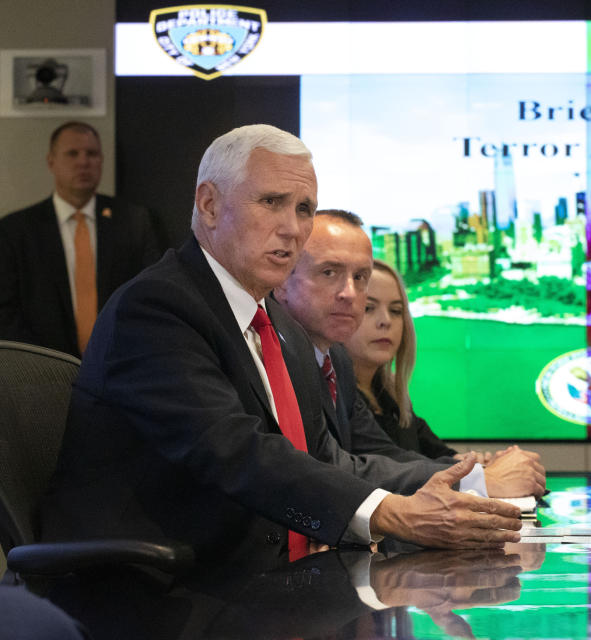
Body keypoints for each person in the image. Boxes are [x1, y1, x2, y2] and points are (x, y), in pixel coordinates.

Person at [40, 124, 530, 571]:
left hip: (273, 578)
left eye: (304, 209)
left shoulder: (279, 324)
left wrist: (457, 494)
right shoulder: (156, 308)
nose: (294, 228)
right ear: (209, 205)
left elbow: (321, 458)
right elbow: (236, 451)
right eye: (271, 202)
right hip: (166, 588)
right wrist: (393, 515)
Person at [274, 211, 545, 495]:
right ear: (282, 279)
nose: (350, 293)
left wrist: (479, 472)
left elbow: (384, 454)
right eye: (329, 272)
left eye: (360, 277)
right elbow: (332, 468)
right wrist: (477, 480)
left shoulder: (336, 363)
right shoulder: (276, 357)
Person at [0, 121, 160, 357]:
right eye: (72, 153)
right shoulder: (15, 230)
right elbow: (5, 312)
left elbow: (152, 294)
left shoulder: (134, 221)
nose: (83, 162)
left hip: (121, 367)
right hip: (42, 371)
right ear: (51, 162)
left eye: (92, 154)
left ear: (101, 161)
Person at [345, 258, 500, 460]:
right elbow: (395, 465)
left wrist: (482, 464)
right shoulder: (338, 396)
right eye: (368, 308)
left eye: (396, 311)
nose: (385, 321)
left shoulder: (393, 397)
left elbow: (442, 456)